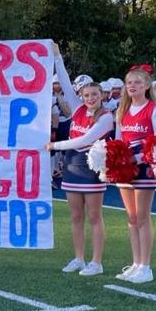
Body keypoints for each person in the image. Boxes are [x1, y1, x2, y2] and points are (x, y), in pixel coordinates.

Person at [48, 50, 111, 276]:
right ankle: (78, 258)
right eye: (87, 95)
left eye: (95, 94)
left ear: (102, 95)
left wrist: (54, 146)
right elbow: (63, 80)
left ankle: (96, 261)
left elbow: (85, 140)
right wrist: (57, 57)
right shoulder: (77, 109)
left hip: (91, 168)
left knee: (94, 216)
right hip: (72, 166)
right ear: (81, 96)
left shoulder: (106, 117)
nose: (90, 98)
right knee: (75, 216)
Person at [114, 65, 156, 284]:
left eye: (137, 82)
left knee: (143, 218)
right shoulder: (122, 111)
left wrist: (137, 158)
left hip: (144, 168)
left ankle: (146, 266)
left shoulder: (155, 109)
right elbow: (118, 141)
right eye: (129, 83)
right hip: (125, 170)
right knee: (132, 218)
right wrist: (115, 160)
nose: (133, 86)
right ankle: (136, 263)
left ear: (146, 86)